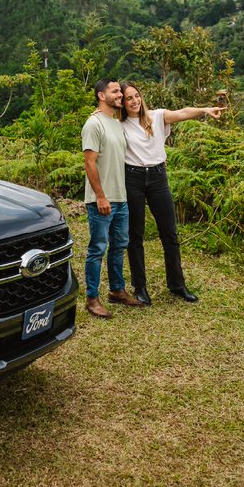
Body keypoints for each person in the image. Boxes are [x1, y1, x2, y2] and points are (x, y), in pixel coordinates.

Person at [119, 83, 223, 304]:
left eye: (137, 96)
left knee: (170, 233)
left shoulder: (156, 117)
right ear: (122, 102)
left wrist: (205, 110)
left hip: (158, 177)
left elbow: (183, 112)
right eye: (129, 98)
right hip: (133, 178)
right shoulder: (119, 124)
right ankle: (140, 288)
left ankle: (177, 285)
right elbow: (101, 119)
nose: (135, 101)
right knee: (135, 235)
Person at [82, 79, 144, 319]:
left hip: (121, 198)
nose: (120, 95)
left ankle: (117, 291)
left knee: (119, 246)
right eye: (115, 91)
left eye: (121, 91)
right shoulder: (93, 124)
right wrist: (100, 196)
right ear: (101, 95)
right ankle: (92, 299)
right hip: (102, 199)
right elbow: (89, 162)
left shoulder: (117, 123)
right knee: (98, 248)